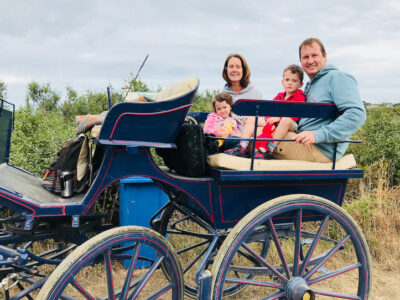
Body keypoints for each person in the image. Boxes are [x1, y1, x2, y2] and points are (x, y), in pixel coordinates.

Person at [271, 37, 366, 162]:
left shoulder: (337, 78)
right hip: (302, 138)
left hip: (319, 149)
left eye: (314, 55)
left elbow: (357, 115)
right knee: (255, 130)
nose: (310, 61)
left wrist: (317, 135)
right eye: (305, 57)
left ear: (324, 56)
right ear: (301, 61)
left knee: (254, 141)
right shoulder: (311, 86)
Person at [254, 64, 306, 159]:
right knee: (252, 119)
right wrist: (270, 119)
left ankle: (270, 148)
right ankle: (243, 145)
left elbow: (295, 114)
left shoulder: (299, 96)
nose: (290, 83)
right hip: (277, 122)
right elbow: (269, 109)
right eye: (287, 80)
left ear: (300, 84)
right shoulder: (279, 96)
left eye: (294, 81)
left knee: (285, 120)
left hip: (291, 123)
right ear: (282, 82)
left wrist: (279, 118)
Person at [222, 53, 264, 157]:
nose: (234, 70)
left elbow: (262, 122)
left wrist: (243, 135)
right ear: (226, 70)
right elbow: (218, 120)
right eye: (231, 66)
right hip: (228, 137)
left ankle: (241, 149)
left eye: (238, 67)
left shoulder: (255, 93)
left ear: (243, 70)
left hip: (247, 140)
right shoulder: (222, 95)